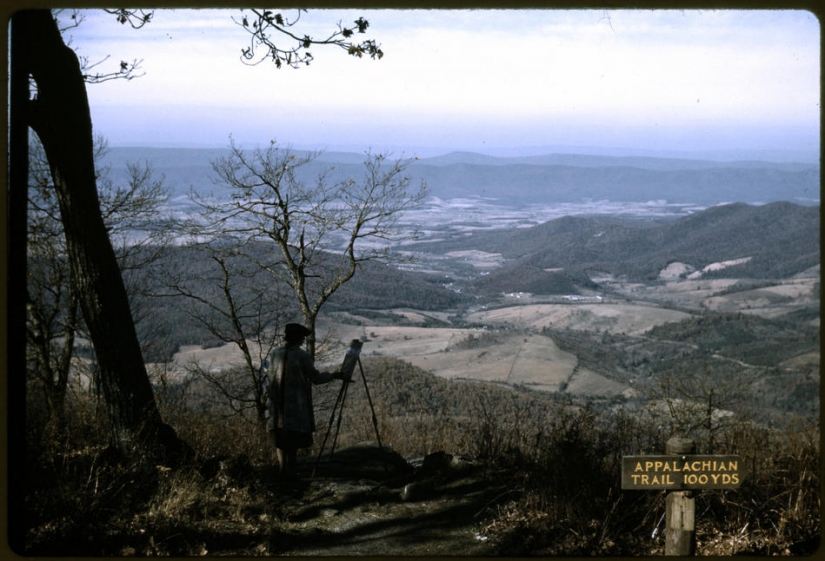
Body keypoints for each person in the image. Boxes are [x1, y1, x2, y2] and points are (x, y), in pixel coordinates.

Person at [267, 323, 347, 476]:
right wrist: (333, 375)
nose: (304, 340)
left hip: (277, 405)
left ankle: (282, 470)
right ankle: (291, 471)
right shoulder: (301, 356)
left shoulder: (275, 353)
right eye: (302, 337)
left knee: (281, 439)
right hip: (294, 404)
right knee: (293, 438)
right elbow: (315, 378)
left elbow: (270, 376)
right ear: (298, 338)